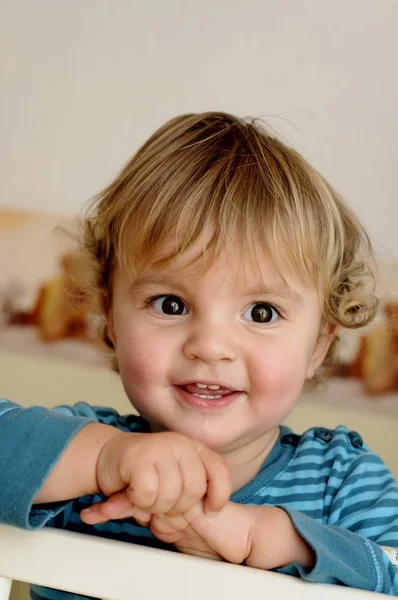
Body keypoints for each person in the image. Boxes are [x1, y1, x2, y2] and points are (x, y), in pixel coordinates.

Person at [1, 112, 397, 599]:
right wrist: (101, 458)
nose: (209, 346)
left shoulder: (344, 482)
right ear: (110, 316)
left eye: (262, 312)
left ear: (318, 345)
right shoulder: (76, 463)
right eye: (171, 305)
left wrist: (277, 541)